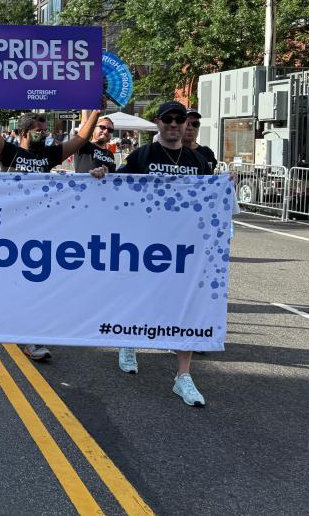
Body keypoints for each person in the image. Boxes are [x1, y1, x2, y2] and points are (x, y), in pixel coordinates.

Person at [98, 100, 213, 407]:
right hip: (146, 244)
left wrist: (225, 186)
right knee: (139, 296)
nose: (175, 124)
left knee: (186, 305)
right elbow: (117, 186)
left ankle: (183, 376)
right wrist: (101, 176)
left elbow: (208, 199)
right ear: (159, 123)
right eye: (169, 119)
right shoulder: (142, 155)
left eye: (181, 120)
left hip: (183, 247)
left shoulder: (197, 159)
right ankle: (128, 340)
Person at [0, 84, 101, 362]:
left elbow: (80, 139)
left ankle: (31, 338)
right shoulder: (8, 152)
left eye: (46, 130)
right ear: (23, 133)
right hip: (9, 230)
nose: (45, 134)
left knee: (35, 284)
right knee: (8, 284)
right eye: (39, 130)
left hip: (39, 230)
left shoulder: (48, 156)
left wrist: (96, 111)